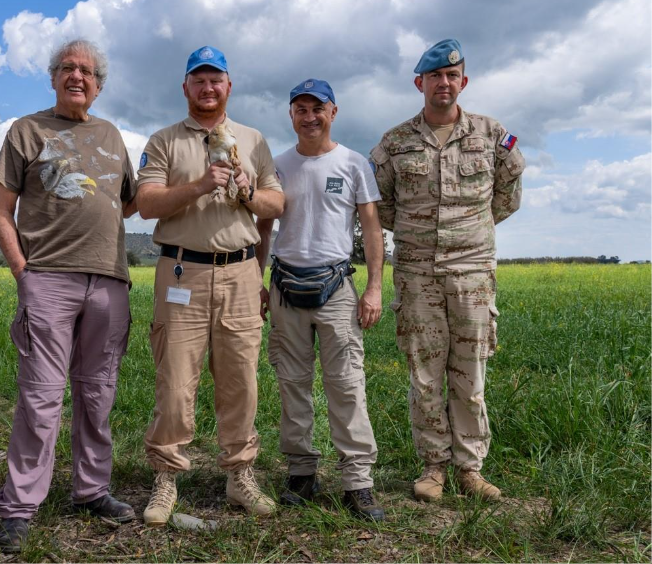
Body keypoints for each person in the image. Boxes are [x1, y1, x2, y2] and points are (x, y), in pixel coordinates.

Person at [0, 39, 138, 552]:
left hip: (110, 280)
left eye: (89, 71)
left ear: (99, 84)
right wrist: (21, 271)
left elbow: (132, 203)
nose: (79, 77)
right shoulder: (26, 131)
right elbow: (0, 210)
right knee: (41, 396)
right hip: (48, 278)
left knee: (98, 392)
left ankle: (91, 490)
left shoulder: (113, 135)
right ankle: (19, 507)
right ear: (53, 77)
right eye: (68, 69)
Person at [369, 39, 525, 502]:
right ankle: (434, 467)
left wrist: (470, 229)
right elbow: (382, 207)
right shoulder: (395, 142)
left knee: (470, 374)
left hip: (473, 272)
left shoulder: (491, 134)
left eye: (452, 75)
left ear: (464, 81)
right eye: (435, 76)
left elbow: (508, 193)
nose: (444, 82)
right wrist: (424, 233)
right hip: (417, 272)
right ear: (420, 83)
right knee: (424, 373)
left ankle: (470, 469)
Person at [137, 45, 285, 526]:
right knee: (176, 379)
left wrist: (247, 193)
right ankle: (166, 477)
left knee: (241, 379)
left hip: (241, 272)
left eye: (215, 79)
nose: (207, 88)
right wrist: (201, 185)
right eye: (197, 80)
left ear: (228, 86)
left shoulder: (253, 140)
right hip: (182, 271)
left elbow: (275, 204)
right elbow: (147, 203)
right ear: (185, 88)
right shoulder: (163, 141)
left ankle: (240, 475)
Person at [256, 79, 386, 521]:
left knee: (346, 383)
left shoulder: (353, 164)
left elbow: (371, 229)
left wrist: (373, 287)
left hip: (336, 288)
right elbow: (263, 230)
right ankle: (301, 472)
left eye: (318, 108)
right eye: (300, 109)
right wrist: (259, 281)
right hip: (285, 287)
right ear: (291, 115)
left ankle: (358, 481)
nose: (309, 116)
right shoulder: (276, 166)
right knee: (292, 382)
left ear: (334, 112)